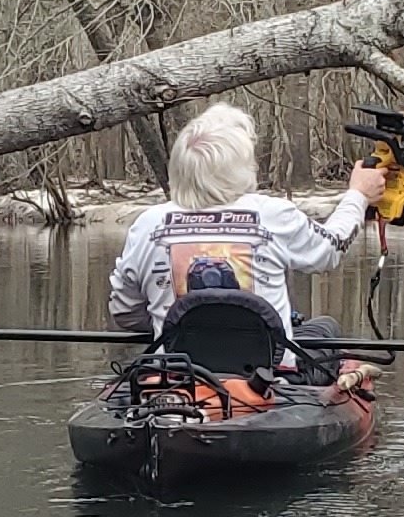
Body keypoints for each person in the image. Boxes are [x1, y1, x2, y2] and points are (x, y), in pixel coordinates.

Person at [104, 102, 389, 345]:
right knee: (325, 329)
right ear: (241, 169)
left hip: (180, 371)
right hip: (267, 380)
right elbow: (330, 250)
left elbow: (125, 311)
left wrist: (165, 322)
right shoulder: (273, 215)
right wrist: (359, 196)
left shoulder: (147, 224)